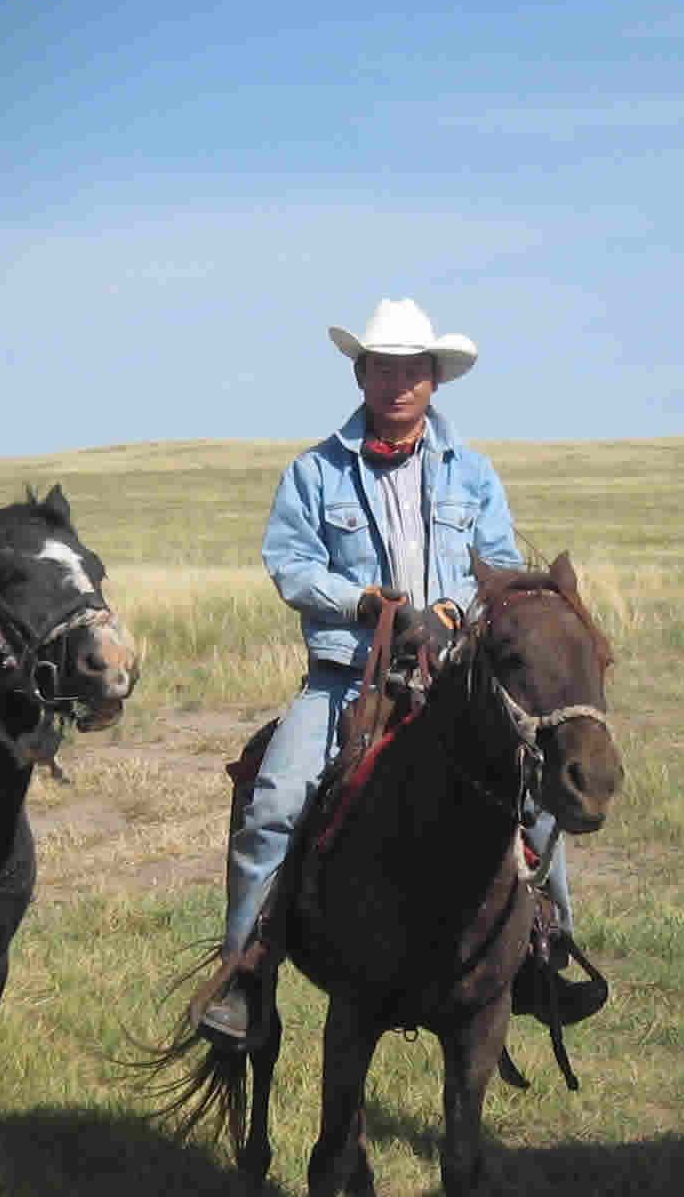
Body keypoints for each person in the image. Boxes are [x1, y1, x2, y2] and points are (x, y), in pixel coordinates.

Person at [193, 297, 606, 1050]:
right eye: (383, 369)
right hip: (346, 679)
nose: (397, 385)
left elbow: (503, 567)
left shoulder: (473, 473)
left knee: (540, 800)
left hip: (454, 679)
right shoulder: (314, 472)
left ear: (434, 380)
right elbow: (289, 564)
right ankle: (246, 974)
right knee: (275, 805)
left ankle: (545, 952)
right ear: (360, 374)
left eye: (412, 371)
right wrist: (358, 600)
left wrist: (449, 612)